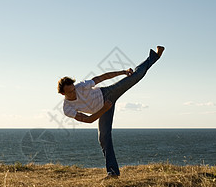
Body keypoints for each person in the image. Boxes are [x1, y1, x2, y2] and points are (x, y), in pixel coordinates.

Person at [57, 46, 165, 178]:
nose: (74, 92)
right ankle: (113, 173)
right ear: (63, 93)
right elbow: (89, 120)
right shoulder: (67, 108)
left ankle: (155, 56)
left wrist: (123, 72)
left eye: (74, 89)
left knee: (135, 77)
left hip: (108, 93)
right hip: (102, 110)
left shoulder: (81, 86)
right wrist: (104, 109)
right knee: (103, 138)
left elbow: (101, 78)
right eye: (70, 92)